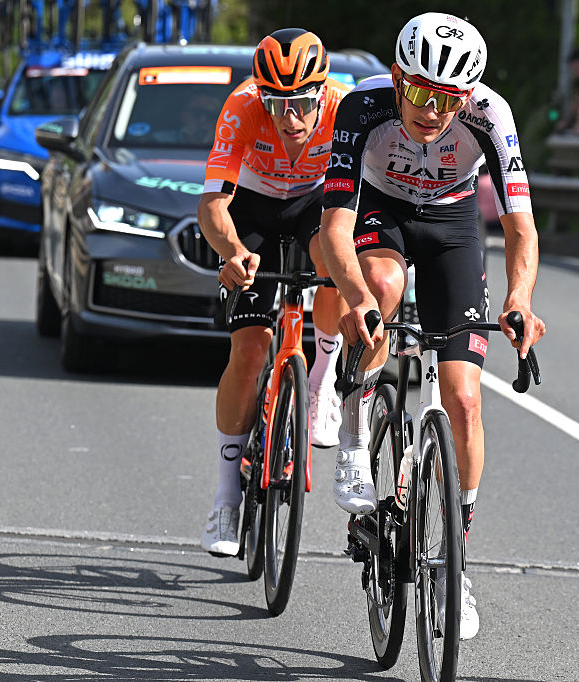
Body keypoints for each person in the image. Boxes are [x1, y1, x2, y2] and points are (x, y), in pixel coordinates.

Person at [319, 12, 547, 640]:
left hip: (451, 226)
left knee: (466, 400)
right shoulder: (362, 108)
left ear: (467, 95)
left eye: (448, 100)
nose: (431, 112)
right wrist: (358, 295)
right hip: (379, 211)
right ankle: (357, 439)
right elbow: (335, 226)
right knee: (384, 289)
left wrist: (519, 298)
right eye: (419, 93)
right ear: (397, 78)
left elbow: (521, 226)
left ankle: (454, 560)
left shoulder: (490, 116)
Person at [198, 28, 350, 556]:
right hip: (255, 208)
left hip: (315, 203)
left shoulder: (343, 105)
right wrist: (233, 251)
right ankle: (224, 499)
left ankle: (322, 383)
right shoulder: (241, 104)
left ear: (322, 93)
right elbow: (212, 205)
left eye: (301, 102)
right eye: (277, 103)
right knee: (250, 350)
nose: (289, 117)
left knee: (332, 258)